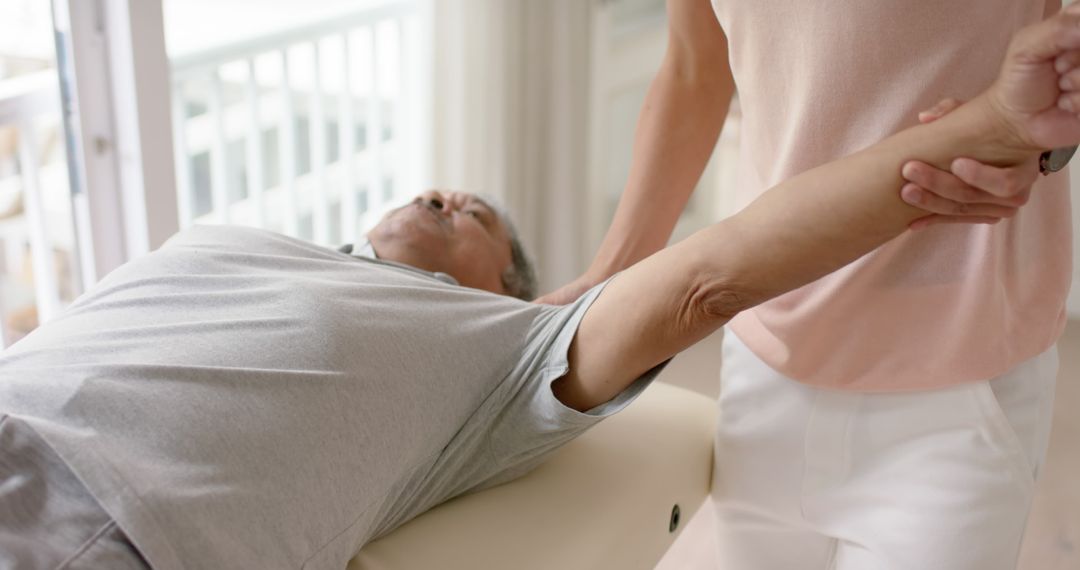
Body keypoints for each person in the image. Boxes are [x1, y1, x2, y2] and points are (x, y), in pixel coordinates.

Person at [2, 9, 1080, 570]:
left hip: (955, 340)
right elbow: (696, 71)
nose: (447, 192)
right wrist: (613, 267)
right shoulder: (240, 242)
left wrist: (1008, 132)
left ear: (505, 290)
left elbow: (710, 275)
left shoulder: (497, 348)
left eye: (477, 215)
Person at [539, 1, 1080, 568]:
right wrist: (609, 277)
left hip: (960, 367)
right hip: (766, 356)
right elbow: (695, 68)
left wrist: (1040, 137)